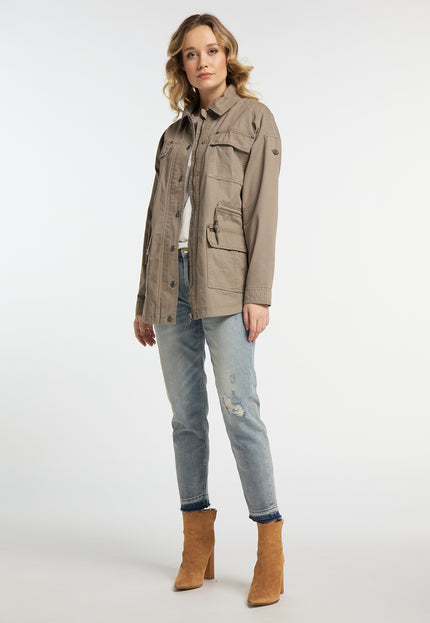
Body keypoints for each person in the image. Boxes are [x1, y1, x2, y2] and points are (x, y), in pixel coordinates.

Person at [133, 13, 284, 607]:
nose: (203, 62)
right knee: (186, 417)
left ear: (228, 56)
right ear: (182, 65)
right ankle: (197, 543)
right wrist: (144, 299)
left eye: (212, 50)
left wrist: (258, 293)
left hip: (226, 284)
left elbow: (263, 210)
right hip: (169, 285)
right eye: (191, 54)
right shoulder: (173, 136)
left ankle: (269, 545)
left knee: (239, 410)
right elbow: (156, 222)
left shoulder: (255, 120)